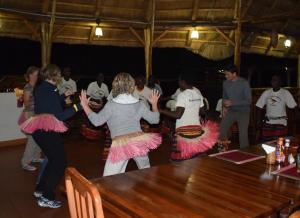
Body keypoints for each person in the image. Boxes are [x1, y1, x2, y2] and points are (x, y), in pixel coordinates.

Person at [20, 64, 82, 208]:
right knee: (60, 163)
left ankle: (40, 190)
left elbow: (47, 105)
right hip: (47, 132)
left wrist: (61, 97)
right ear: (56, 75)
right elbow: (60, 116)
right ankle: (46, 197)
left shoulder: (42, 88)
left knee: (52, 160)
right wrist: (77, 106)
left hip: (39, 131)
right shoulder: (50, 89)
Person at [80, 72, 161, 177]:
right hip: (138, 141)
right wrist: (154, 104)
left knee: (108, 179)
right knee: (147, 173)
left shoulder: (111, 105)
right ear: (132, 85)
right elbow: (155, 120)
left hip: (121, 144)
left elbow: (97, 121)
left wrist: (85, 105)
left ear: (115, 85)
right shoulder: (139, 103)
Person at [160, 71, 218, 161]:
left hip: (184, 132)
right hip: (196, 130)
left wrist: (161, 110)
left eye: (179, 81)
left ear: (183, 81)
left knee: (180, 161)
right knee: (194, 158)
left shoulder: (182, 95)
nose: (178, 83)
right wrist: (192, 107)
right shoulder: (198, 94)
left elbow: (178, 115)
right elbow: (202, 112)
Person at [256, 75, 297, 141]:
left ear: (280, 83)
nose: (273, 82)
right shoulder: (266, 92)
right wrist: (258, 121)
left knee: (277, 142)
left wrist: (293, 122)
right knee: (266, 142)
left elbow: (293, 107)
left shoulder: (285, 93)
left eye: (275, 80)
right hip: (268, 122)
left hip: (280, 122)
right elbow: (258, 107)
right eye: (272, 80)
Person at [219, 65, 251, 148]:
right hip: (231, 110)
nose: (226, 76)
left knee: (243, 134)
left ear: (234, 74)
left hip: (243, 111)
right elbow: (224, 97)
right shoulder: (225, 83)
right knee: (222, 129)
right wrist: (224, 107)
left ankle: (246, 153)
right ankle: (223, 149)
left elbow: (248, 101)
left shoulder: (244, 83)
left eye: (228, 74)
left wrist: (233, 103)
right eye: (225, 74)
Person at [20, 66, 43, 171]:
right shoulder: (28, 87)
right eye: (34, 74)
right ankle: (25, 162)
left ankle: (36, 157)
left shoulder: (37, 87)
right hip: (30, 114)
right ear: (29, 75)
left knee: (38, 136)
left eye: (37, 74)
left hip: (37, 114)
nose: (36, 76)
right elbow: (26, 103)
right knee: (32, 138)